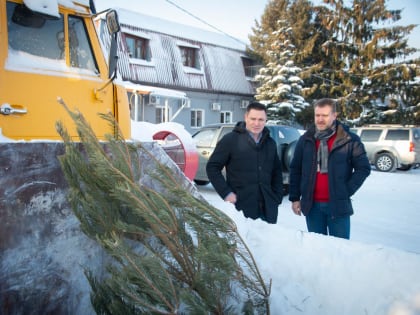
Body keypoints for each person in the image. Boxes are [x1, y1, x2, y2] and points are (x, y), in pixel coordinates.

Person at [288, 98, 371, 239]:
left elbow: (363, 168)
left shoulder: (349, 139)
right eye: (317, 115)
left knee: (340, 250)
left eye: (324, 116)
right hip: (312, 206)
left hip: (338, 206)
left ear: (334, 115)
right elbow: (296, 168)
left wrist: (346, 190)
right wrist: (295, 198)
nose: (320, 119)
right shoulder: (306, 139)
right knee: (317, 249)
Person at [206, 102, 283, 224]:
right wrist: (226, 193)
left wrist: (277, 197)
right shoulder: (230, 140)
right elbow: (212, 167)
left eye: (261, 119)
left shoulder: (270, 143)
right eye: (253, 119)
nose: (256, 123)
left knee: (268, 242)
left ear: (265, 120)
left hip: (268, 209)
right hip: (241, 208)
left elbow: (277, 172)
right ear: (246, 117)